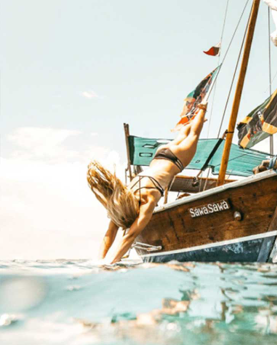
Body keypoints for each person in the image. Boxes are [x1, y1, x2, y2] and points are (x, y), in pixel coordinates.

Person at [87, 104, 207, 264]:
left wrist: (109, 262)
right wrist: (99, 261)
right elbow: (110, 233)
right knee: (184, 134)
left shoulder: (147, 200)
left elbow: (129, 236)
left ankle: (202, 108)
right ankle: (194, 117)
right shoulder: (124, 198)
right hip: (161, 154)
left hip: (175, 160)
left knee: (193, 135)